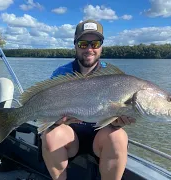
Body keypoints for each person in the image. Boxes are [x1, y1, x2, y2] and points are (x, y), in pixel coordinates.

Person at [41, 19, 136, 180]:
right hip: (70, 135)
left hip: (100, 136)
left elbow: (114, 116)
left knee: (119, 136)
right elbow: (45, 110)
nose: (90, 49)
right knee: (50, 135)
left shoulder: (115, 77)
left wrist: (116, 121)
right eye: (84, 44)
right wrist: (55, 121)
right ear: (75, 45)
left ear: (101, 46)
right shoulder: (61, 73)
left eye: (95, 43)